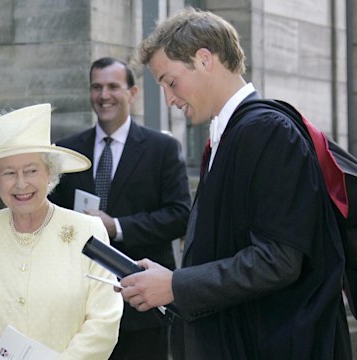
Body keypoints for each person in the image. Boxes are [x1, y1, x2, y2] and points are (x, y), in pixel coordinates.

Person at [118, 7, 352, 359]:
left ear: (204, 59)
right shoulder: (235, 133)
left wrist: (175, 285)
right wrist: (169, 279)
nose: (168, 99)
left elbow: (278, 260)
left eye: (170, 81)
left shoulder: (267, 131)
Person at [0, 103, 123, 359]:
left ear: (50, 172)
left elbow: (104, 321)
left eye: (31, 170)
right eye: (9, 173)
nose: (21, 183)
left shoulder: (88, 232)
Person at [48, 57, 191, 359]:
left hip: (141, 304)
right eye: (96, 87)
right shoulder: (67, 150)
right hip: (81, 305)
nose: (104, 95)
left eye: (113, 86)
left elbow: (180, 216)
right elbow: (53, 217)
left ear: (133, 93)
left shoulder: (161, 149)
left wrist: (117, 226)